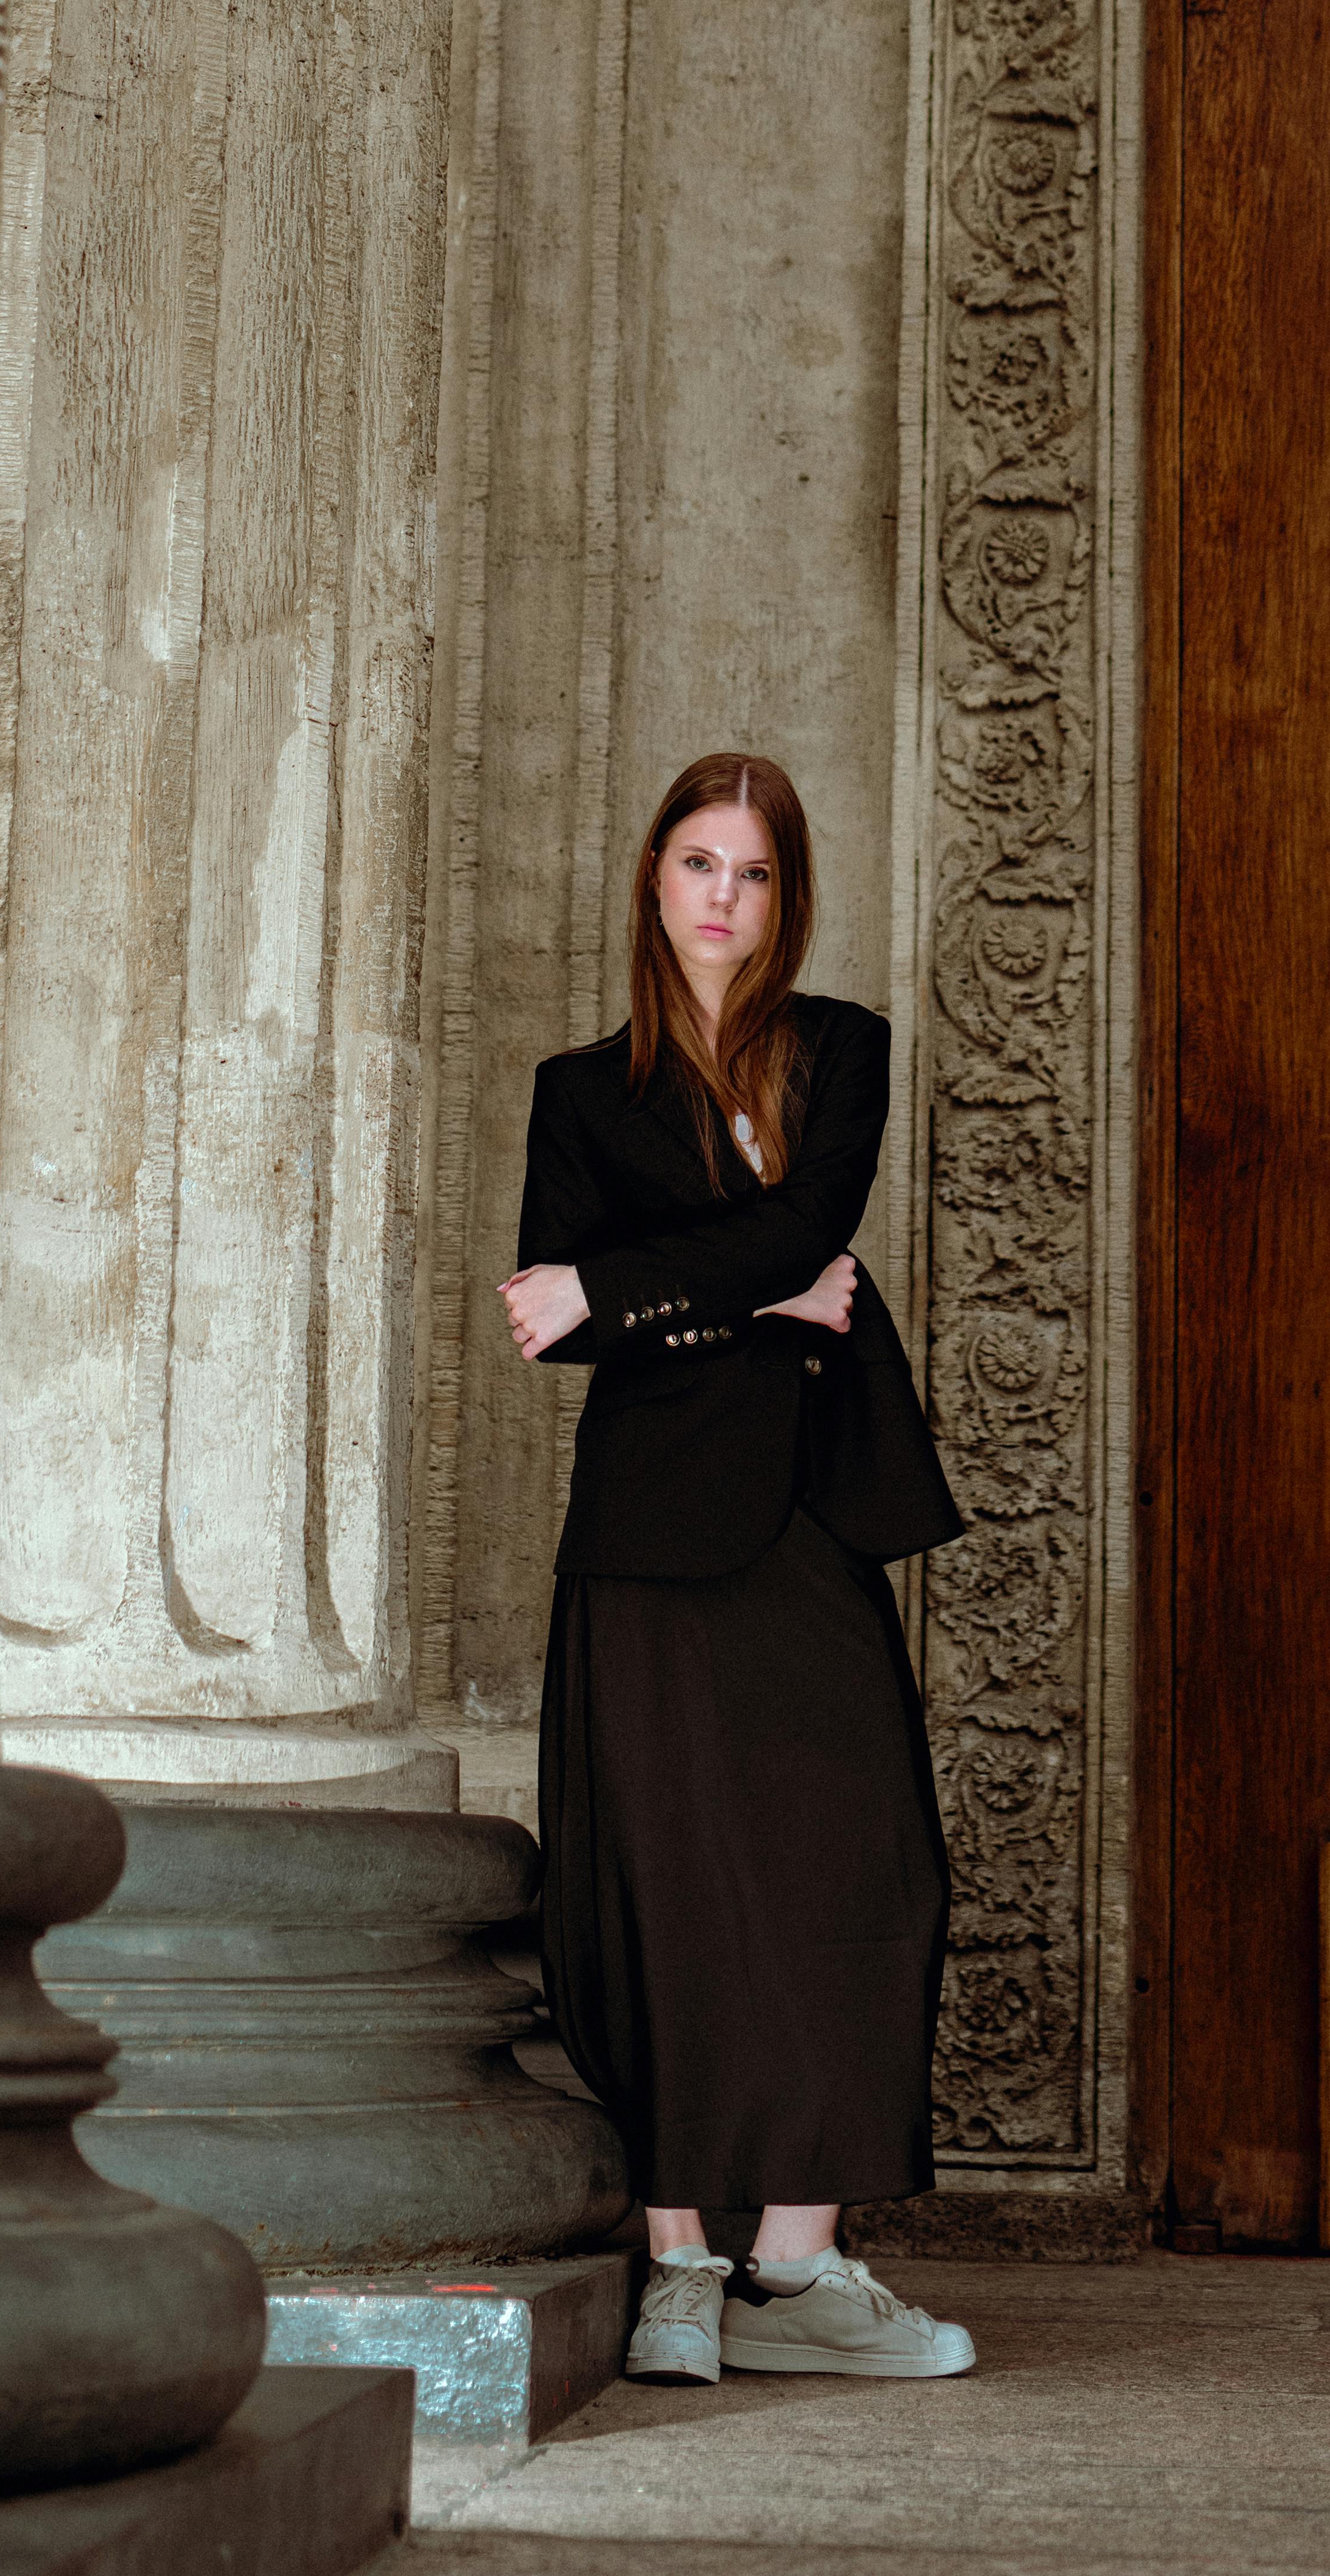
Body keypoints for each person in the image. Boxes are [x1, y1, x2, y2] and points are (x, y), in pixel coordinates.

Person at [502, 751, 979, 2389]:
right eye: (698, 860)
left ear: (786, 895)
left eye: (754, 870)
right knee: (658, 1877)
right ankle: (683, 2266)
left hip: (805, 1506)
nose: (722, 893)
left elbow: (809, 1232)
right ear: (653, 878)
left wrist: (638, 1292)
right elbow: (544, 1316)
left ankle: (799, 2265)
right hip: (643, 1521)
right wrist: (740, 1301)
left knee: (867, 1867)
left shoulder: (840, 1048)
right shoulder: (580, 1090)